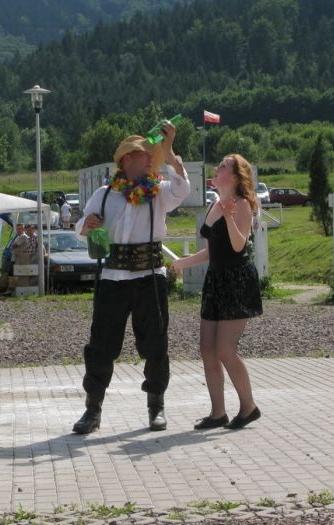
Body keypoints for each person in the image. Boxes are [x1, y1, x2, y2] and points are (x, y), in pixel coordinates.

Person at [72, 122, 190, 434]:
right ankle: (92, 410)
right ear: (127, 159)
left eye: (153, 155)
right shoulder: (104, 194)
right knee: (101, 345)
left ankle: (156, 407)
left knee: (155, 343)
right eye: (144, 155)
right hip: (112, 278)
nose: (151, 158)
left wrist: (171, 152)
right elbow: (80, 226)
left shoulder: (158, 191)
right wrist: (87, 224)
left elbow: (182, 189)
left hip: (149, 277)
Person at [172, 154, 262, 430]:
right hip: (215, 280)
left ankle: (249, 407)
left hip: (236, 280)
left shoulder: (242, 205)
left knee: (225, 349)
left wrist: (229, 217)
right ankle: (217, 413)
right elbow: (213, 251)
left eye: (223, 166)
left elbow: (238, 246)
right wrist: (183, 263)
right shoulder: (214, 204)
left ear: (234, 176)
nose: (216, 168)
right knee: (207, 349)